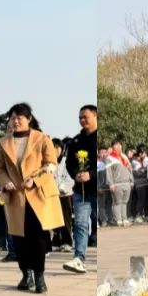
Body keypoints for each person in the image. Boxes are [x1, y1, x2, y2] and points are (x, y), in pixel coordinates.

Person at [0, 103, 63, 293]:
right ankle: (26, 274)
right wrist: (5, 182)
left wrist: (35, 179)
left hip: (37, 194)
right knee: (19, 238)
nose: (15, 121)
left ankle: (40, 276)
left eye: (19, 118)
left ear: (29, 119)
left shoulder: (42, 138)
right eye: (12, 118)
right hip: (16, 196)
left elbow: (51, 164)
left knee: (37, 237)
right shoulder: (3, 143)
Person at [64, 105, 98, 274]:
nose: (82, 120)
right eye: (80, 118)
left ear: (95, 116)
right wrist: (76, 174)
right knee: (80, 224)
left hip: (99, 189)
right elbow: (69, 163)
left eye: (86, 117)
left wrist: (91, 174)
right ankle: (79, 258)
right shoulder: (76, 141)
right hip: (81, 191)